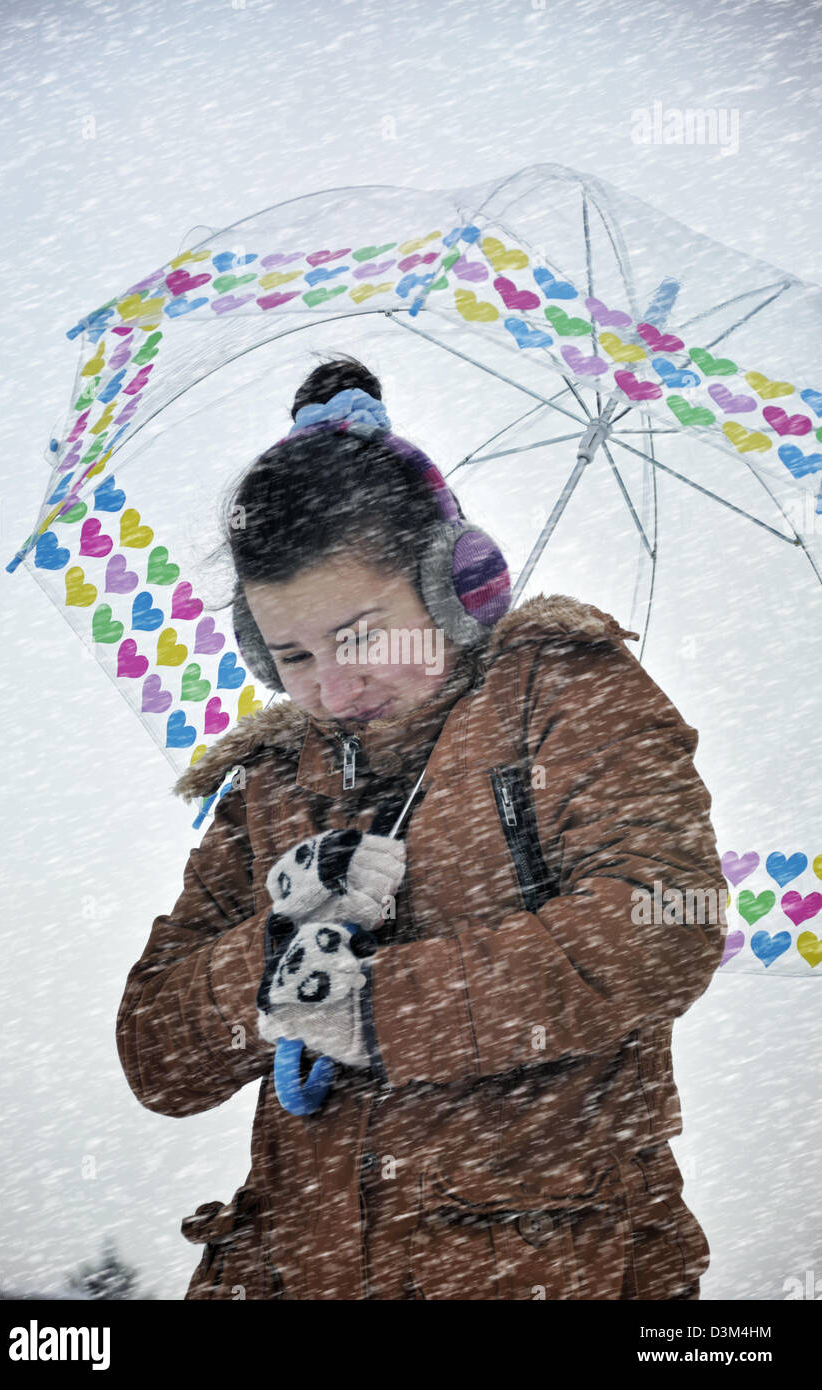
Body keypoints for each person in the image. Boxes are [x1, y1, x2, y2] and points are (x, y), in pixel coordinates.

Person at [115, 353, 728, 1301]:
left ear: (457, 587)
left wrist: (370, 1001)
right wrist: (278, 952)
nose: (332, 686)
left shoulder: (566, 696)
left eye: (360, 636)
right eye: (292, 655)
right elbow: (157, 1056)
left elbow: (661, 926)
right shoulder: (272, 782)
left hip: (542, 1273)